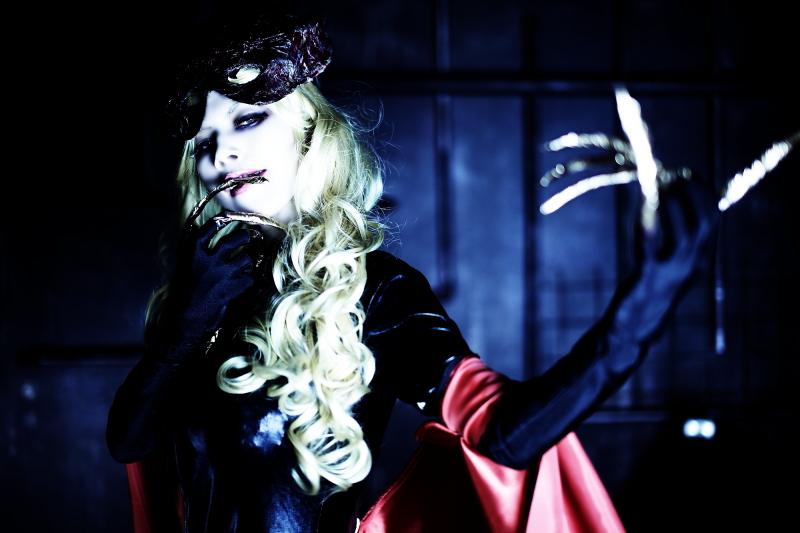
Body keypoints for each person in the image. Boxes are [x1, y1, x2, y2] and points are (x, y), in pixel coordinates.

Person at [106, 10, 718, 533]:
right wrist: (186, 321)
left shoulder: (373, 289)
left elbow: (502, 433)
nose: (222, 153)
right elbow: (130, 442)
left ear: (308, 133)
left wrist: (635, 319)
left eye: (248, 119)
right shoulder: (203, 291)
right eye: (204, 142)